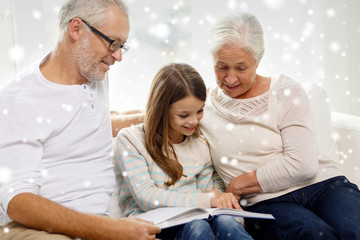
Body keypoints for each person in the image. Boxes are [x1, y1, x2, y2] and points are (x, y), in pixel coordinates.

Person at [0, 0, 160, 239]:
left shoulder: (94, 74)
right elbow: (18, 202)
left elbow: (91, 123)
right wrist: (110, 229)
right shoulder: (20, 100)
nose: (118, 56)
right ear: (76, 29)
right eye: (113, 43)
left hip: (96, 223)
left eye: (122, 46)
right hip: (34, 229)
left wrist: (159, 117)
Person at [199, 12, 360, 240]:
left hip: (324, 186)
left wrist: (240, 183)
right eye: (221, 66)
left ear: (259, 59)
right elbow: (166, 112)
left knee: (354, 229)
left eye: (241, 68)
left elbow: (303, 165)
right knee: (314, 234)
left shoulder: (286, 92)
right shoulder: (203, 104)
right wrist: (131, 119)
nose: (230, 78)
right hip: (266, 202)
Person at [114, 63, 253, 240]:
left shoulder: (200, 144)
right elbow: (146, 198)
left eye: (200, 111)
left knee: (224, 222)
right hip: (151, 224)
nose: (194, 121)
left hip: (195, 220)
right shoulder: (131, 140)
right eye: (184, 115)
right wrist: (207, 198)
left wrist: (226, 208)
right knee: (198, 226)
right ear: (161, 110)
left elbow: (208, 194)